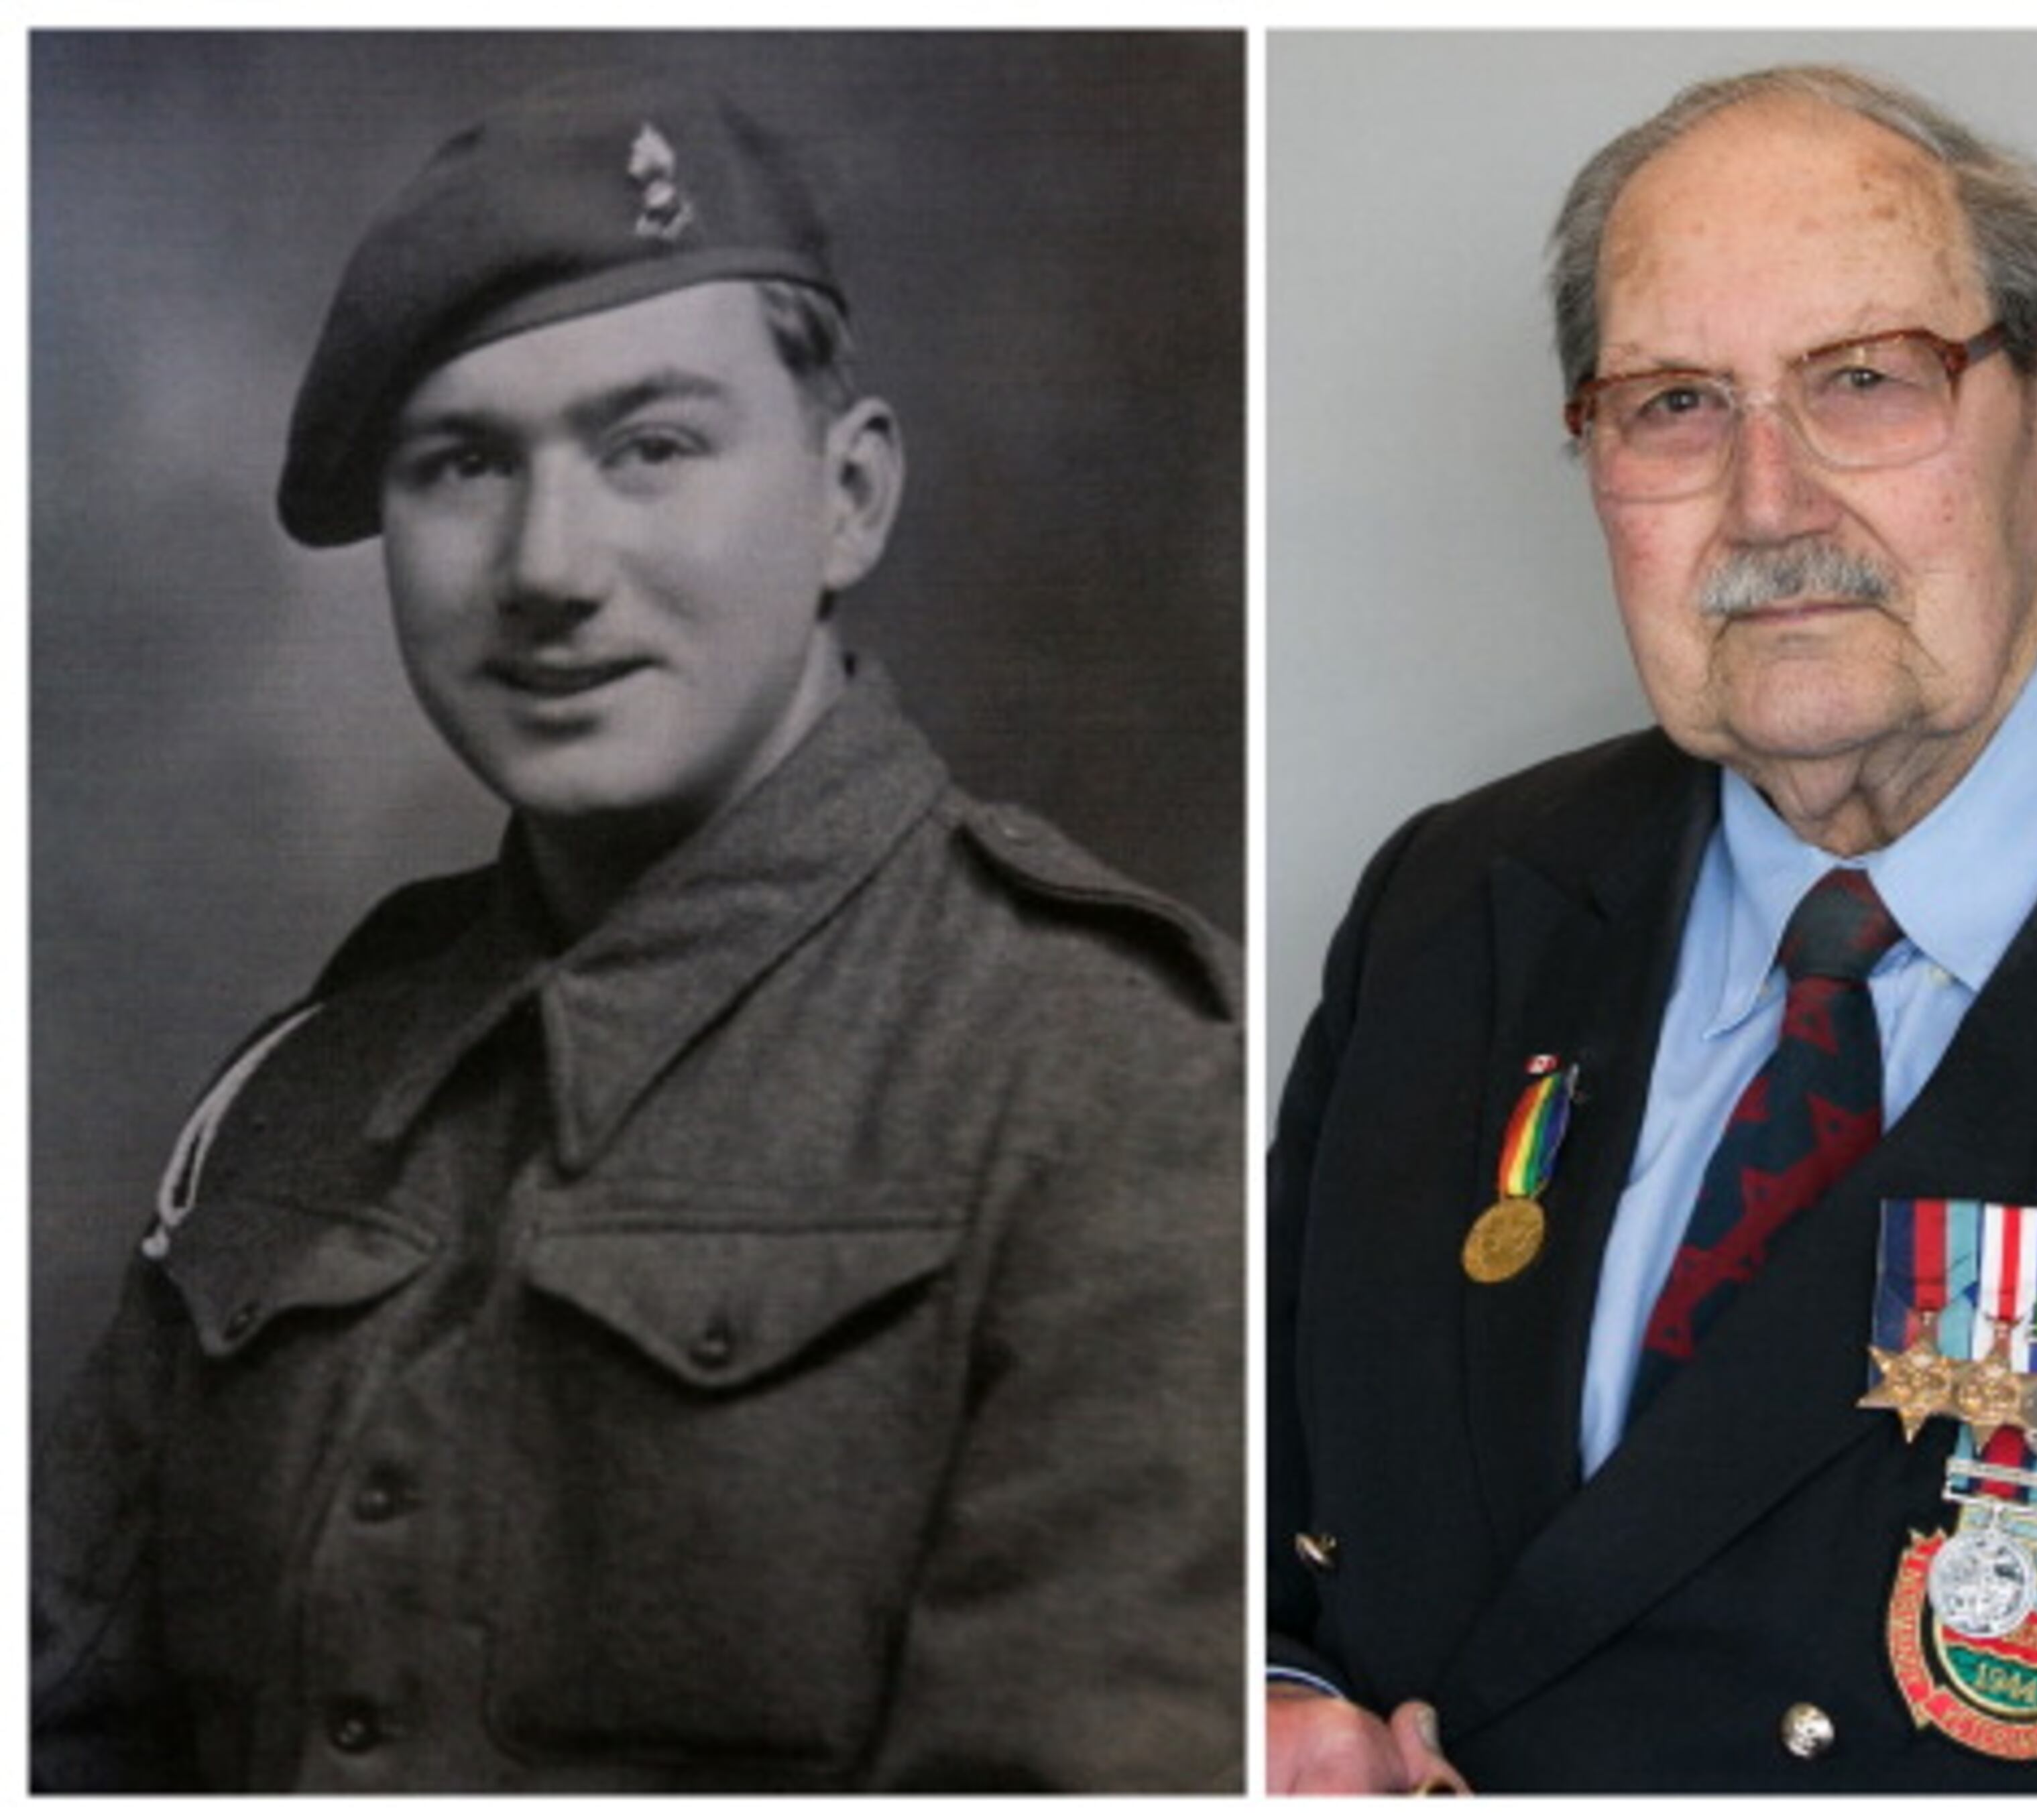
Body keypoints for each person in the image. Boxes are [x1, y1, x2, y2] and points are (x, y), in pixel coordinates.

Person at [1267, 63, 2037, 1793]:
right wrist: (1257, 1704)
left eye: (1866, 381)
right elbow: (1235, 1505)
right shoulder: (1453, 906)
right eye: (1674, 406)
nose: (1771, 504)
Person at [33, 66, 1242, 1793]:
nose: (546, 563)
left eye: (650, 446)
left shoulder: (1108, 1075)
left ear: (851, 497)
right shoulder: (312, 1083)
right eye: (460, 465)